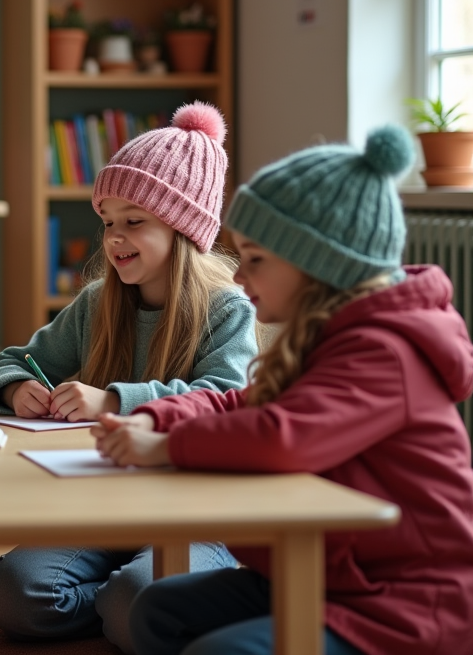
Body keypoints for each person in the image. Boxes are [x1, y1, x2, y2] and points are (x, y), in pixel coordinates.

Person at [96, 126, 473, 655]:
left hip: (400, 604)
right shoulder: (325, 339)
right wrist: (158, 417)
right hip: (330, 578)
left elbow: (282, 436)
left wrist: (168, 446)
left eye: (256, 260)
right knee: (158, 610)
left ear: (318, 266)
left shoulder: (384, 352)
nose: (241, 278)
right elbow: (238, 402)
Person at [0, 102, 256, 654]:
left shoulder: (229, 310)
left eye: (134, 222)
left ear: (183, 228)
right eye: (108, 222)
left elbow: (223, 397)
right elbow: (8, 361)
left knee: (140, 601)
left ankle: (127, 605)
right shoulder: (98, 303)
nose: (114, 238)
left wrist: (112, 399)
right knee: (14, 592)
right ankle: (124, 609)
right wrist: (15, 387)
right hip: (104, 503)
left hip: (195, 516)